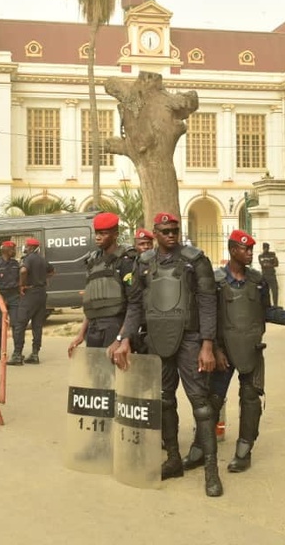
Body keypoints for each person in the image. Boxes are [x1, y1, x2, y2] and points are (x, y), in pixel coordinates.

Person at [181, 230, 285, 474]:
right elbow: (207, 317)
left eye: (251, 249)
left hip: (251, 349)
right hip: (223, 352)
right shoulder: (216, 281)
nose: (250, 253)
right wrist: (215, 348)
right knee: (212, 401)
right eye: (245, 249)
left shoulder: (258, 281)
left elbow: (266, 311)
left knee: (251, 400)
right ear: (233, 251)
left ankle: (244, 451)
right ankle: (200, 448)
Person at [110, 212, 223, 497]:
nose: (171, 235)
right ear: (155, 233)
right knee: (164, 401)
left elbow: (209, 302)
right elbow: (135, 304)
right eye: (165, 231)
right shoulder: (144, 262)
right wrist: (124, 338)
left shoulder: (195, 260)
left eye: (175, 230)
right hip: (157, 340)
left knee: (201, 403)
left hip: (190, 338)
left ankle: (211, 469)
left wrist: (207, 344)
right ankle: (173, 458)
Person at [68, 212, 134, 357]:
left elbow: (133, 304)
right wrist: (81, 335)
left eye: (103, 233)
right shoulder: (92, 261)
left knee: (114, 377)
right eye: (97, 233)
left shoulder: (125, 261)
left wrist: (121, 338)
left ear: (115, 234)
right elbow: (90, 303)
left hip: (115, 327)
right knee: (95, 376)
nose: (98, 237)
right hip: (94, 329)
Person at [8, 238, 54, 366]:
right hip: (41, 294)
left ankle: (17, 354)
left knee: (20, 323)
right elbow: (52, 271)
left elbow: (23, 271)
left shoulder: (28, 258)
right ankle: (35, 354)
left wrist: (22, 285)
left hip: (30, 294)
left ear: (32, 248)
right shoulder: (42, 259)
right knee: (37, 325)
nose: (25, 248)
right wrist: (43, 279)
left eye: (27, 246)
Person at [0, 240, 21, 361]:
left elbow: (19, 279)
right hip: (1, 295)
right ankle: (0, 349)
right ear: (6, 250)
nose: (14, 252)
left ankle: (17, 352)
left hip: (14, 296)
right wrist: (0, 296)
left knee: (16, 324)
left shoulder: (15, 263)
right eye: (13, 249)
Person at [257, 242, 280, 308]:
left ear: (268, 248)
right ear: (263, 248)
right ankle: (266, 305)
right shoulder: (260, 256)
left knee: (275, 290)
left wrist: (269, 264)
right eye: (265, 248)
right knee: (265, 292)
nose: (266, 249)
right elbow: (263, 265)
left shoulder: (272, 255)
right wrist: (271, 264)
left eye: (267, 248)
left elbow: (276, 264)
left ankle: (275, 305)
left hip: (272, 275)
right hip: (264, 276)